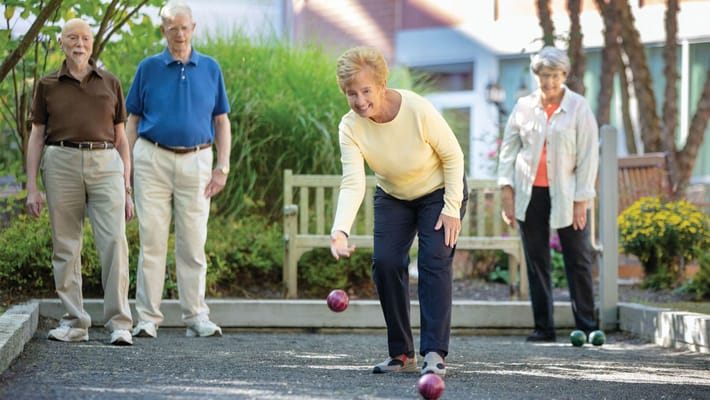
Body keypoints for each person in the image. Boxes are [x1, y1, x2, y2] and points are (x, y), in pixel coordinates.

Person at [329, 46, 467, 377]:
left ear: (382, 84)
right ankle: (401, 353)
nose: (360, 101)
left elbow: (453, 155)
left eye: (366, 91)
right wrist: (340, 230)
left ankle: (434, 352)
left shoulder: (416, 109)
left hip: (438, 191)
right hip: (394, 195)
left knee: (434, 261)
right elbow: (353, 183)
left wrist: (451, 208)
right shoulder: (350, 127)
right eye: (352, 94)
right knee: (386, 263)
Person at [125, 2, 231, 339]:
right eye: (173, 29)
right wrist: (125, 168)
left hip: (198, 161)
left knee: (193, 243)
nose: (180, 34)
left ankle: (196, 316)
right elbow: (132, 120)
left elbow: (221, 121)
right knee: (151, 241)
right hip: (151, 158)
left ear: (193, 28)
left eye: (185, 28)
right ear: (164, 31)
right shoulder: (148, 68)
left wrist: (222, 167)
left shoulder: (211, 68)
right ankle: (146, 319)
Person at [26, 18, 134, 346]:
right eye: (72, 38)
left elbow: (121, 139)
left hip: (105, 163)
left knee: (114, 241)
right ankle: (74, 322)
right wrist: (32, 186)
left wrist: (127, 188)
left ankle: (119, 323)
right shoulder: (46, 85)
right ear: (61, 43)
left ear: (92, 44)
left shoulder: (110, 82)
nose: (80, 44)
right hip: (61, 162)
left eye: (85, 38)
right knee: (66, 244)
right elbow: (36, 137)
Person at [497, 46, 599, 342]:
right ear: (536, 76)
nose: (550, 82)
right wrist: (507, 193)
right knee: (536, 260)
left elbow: (589, 156)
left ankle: (587, 325)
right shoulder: (523, 106)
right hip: (530, 194)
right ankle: (544, 328)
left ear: (564, 75)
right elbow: (508, 152)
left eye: (555, 76)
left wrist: (582, 200)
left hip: (569, 195)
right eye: (544, 76)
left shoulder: (579, 107)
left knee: (578, 258)